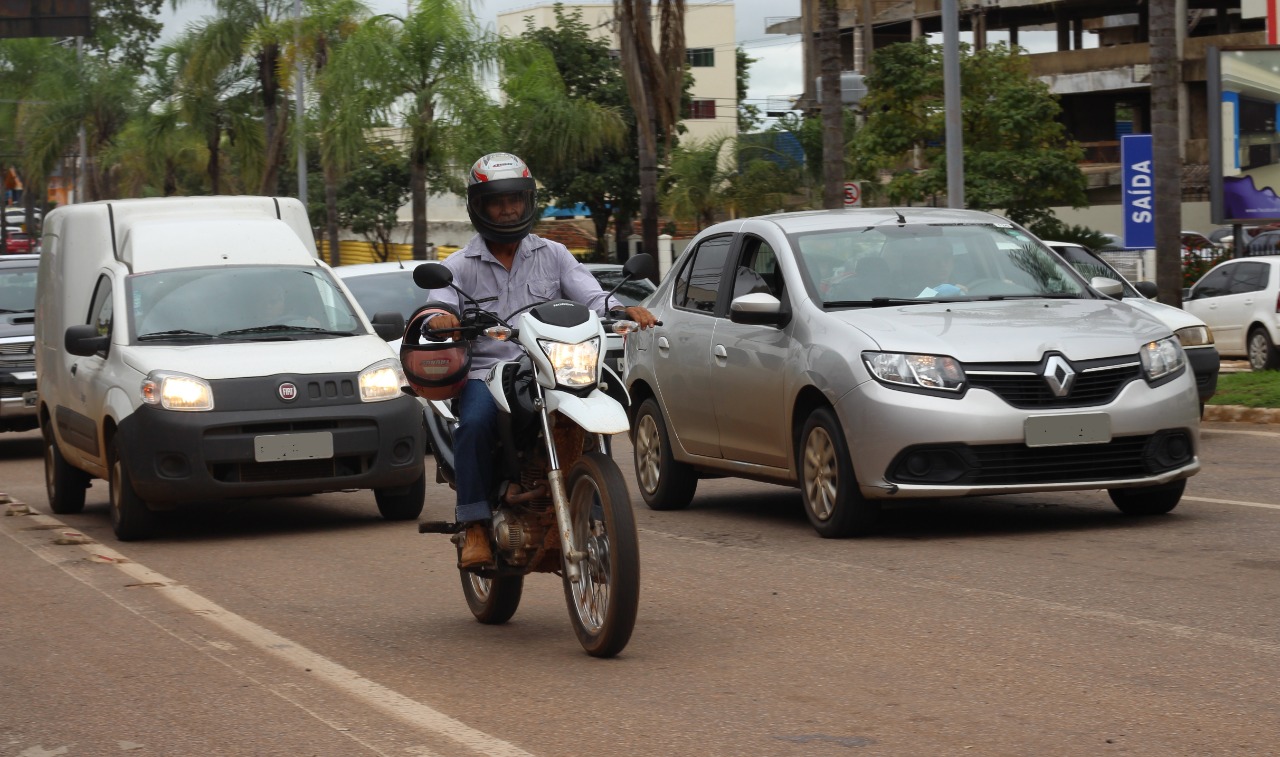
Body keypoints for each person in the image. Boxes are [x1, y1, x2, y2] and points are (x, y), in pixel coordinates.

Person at [421, 152, 657, 568]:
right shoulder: (457, 266)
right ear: (480, 206)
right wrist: (441, 317)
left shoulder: (555, 254)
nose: (508, 208)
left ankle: (596, 504)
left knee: (593, 399)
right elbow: (436, 306)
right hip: (488, 371)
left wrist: (620, 310)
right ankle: (474, 523)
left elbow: (591, 294)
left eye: (516, 199)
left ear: (528, 201)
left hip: (549, 365)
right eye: (498, 201)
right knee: (474, 421)